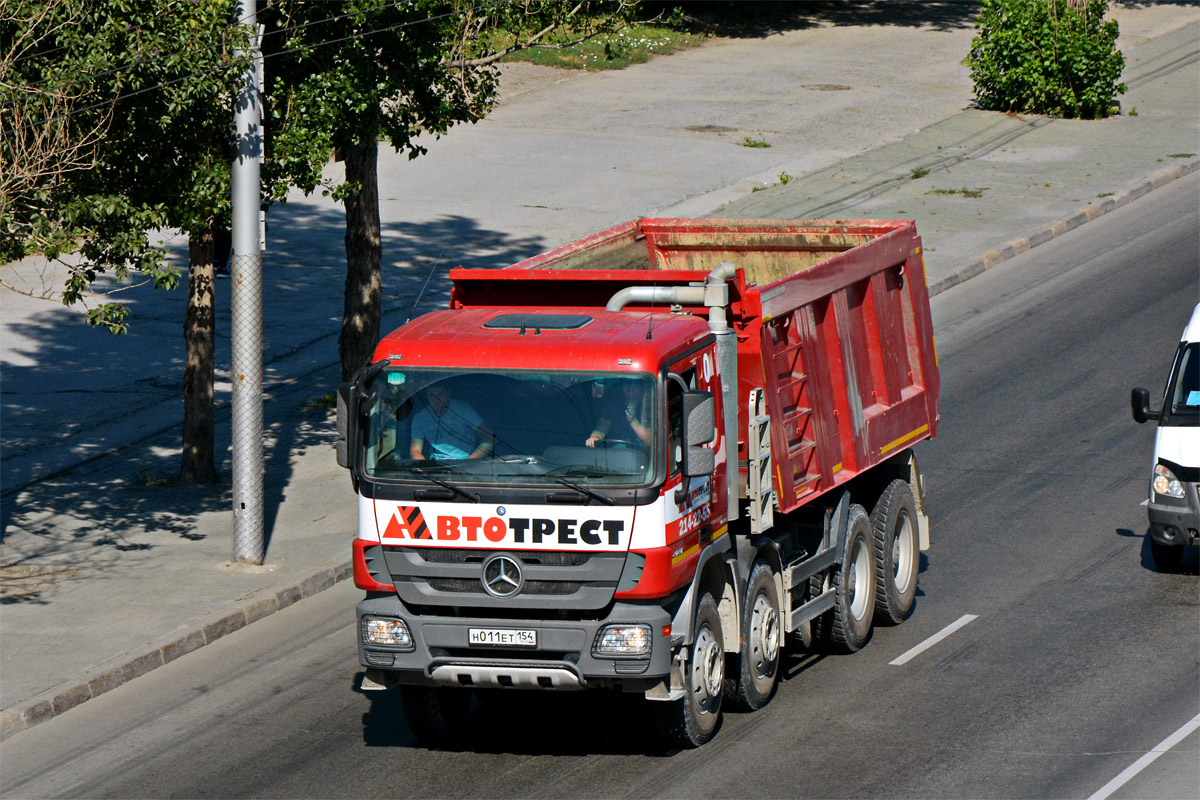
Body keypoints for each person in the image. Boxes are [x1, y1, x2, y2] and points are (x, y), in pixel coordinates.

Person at [409, 383, 493, 460]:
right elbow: (415, 450)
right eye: (431, 395)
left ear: (448, 393)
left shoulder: (464, 410)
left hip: (466, 464)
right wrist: (422, 467)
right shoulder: (420, 417)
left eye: (440, 394)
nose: (436, 399)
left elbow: (489, 438)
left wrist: (471, 461)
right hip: (435, 466)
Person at [585, 378, 651, 448]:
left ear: (642, 388)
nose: (630, 389)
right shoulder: (614, 407)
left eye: (635, 385)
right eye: (626, 384)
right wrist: (595, 437)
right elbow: (601, 427)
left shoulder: (650, 410)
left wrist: (633, 421)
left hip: (642, 457)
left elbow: (649, 440)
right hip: (614, 455)